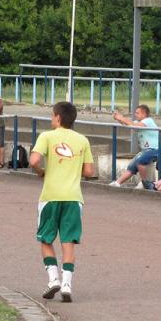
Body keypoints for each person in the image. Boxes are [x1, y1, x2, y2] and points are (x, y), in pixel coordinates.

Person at [29, 101, 94, 303]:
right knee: (68, 242)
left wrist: (41, 172)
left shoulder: (47, 136)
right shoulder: (82, 140)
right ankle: (67, 283)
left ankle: (53, 279)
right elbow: (89, 172)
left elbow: (33, 161)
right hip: (74, 197)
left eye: (52, 116)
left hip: (51, 196)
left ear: (57, 117)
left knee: (46, 239)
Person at [109, 105, 159, 188]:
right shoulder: (140, 122)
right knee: (132, 166)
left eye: (137, 113)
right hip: (146, 150)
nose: (135, 114)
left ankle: (145, 183)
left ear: (144, 114)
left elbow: (132, 124)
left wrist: (121, 118)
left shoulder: (148, 121)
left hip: (155, 149)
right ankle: (117, 183)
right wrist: (118, 118)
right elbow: (128, 124)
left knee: (140, 161)